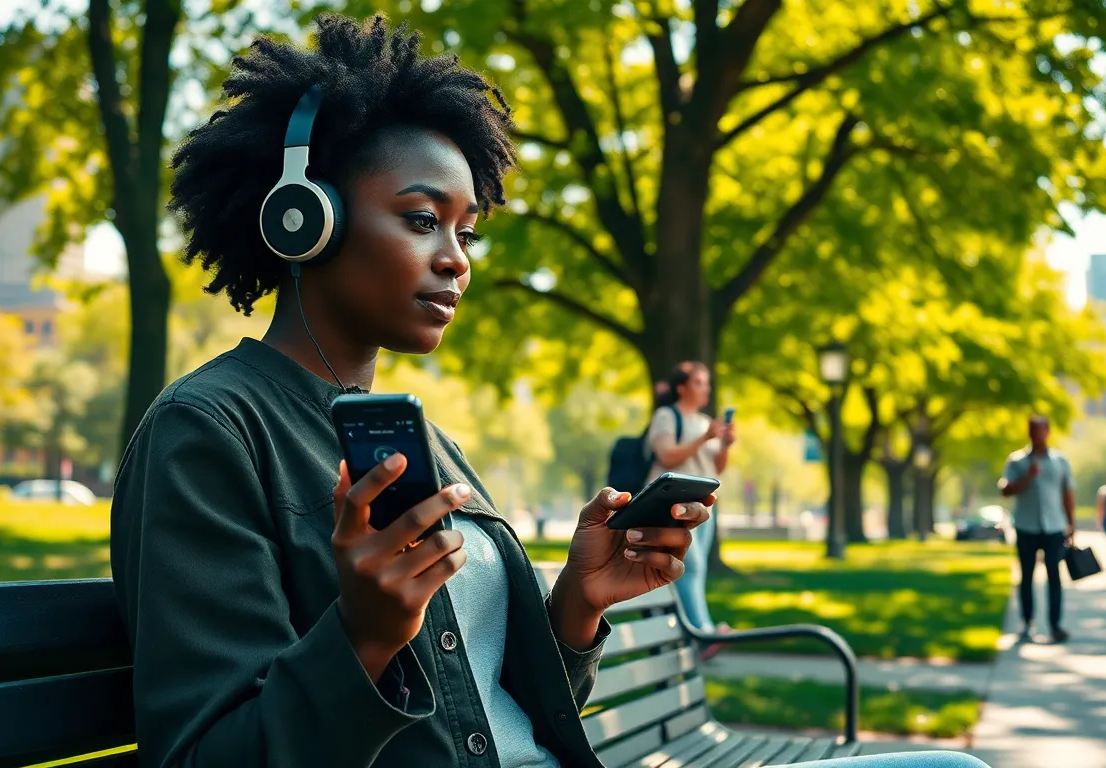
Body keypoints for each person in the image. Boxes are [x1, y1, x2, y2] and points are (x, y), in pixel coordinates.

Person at [108, 16, 716, 767]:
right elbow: (203, 757)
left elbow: (488, 716)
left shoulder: (422, 445)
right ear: (306, 221)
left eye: (468, 233)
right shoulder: (208, 433)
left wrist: (576, 607)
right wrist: (362, 637)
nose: (457, 261)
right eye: (424, 220)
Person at [646, 362, 735, 656]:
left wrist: (724, 446)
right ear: (681, 387)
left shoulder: (704, 421)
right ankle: (703, 633)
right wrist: (705, 438)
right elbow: (667, 456)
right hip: (674, 504)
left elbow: (715, 467)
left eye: (706, 383)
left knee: (697, 568)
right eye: (698, 382)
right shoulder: (666, 416)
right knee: (690, 566)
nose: (705, 388)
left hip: (703, 502)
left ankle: (689, 634)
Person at [999, 415, 1076, 644]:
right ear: (1028, 433)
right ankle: (1027, 622)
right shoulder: (1017, 461)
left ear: (1048, 432)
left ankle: (1055, 625)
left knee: (1054, 575)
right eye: (1033, 431)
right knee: (1027, 575)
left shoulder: (1060, 461)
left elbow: (1068, 494)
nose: (1037, 435)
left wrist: (1071, 524)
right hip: (1026, 526)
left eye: (1041, 430)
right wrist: (1027, 477)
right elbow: (1005, 490)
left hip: (1054, 527)